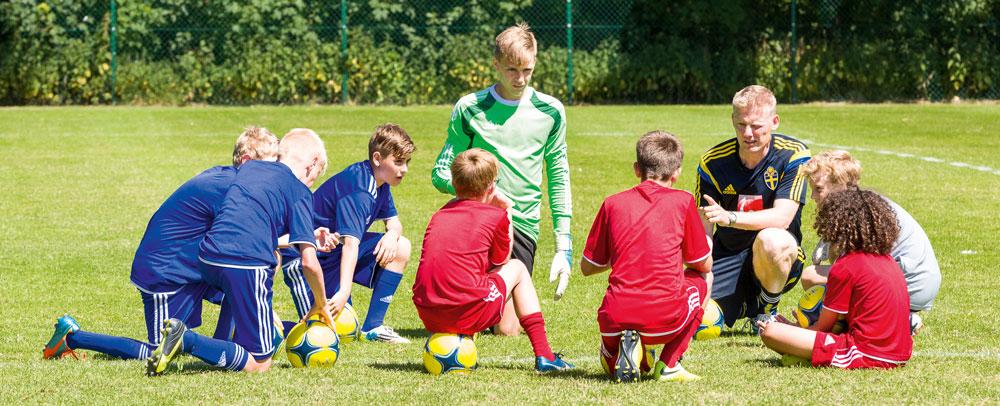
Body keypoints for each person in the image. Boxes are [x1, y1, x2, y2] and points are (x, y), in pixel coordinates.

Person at [43, 127, 279, 361]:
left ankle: (226, 345)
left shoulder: (231, 180)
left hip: (192, 268)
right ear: (247, 161)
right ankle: (72, 337)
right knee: (160, 350)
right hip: (165, 274)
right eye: (271, 165)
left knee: (240, 280)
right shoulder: (229, 187)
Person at [146, 129, 334, 375]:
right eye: (316, 177)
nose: (312, 183)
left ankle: (222, 340)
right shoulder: (299, 192)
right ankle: (185, 339)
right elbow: (309, 262)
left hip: (207, 257)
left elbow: (250, 218)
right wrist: (320, 303)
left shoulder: (249, 169)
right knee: (259, 363)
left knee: (244, 312)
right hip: (246, 264)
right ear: (312, 165)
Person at [431, 23, 573, 336]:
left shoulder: (551, 111)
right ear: (495, 65)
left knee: (506, 330)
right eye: (511, 69)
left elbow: (559, 174)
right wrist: (481, 194)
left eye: (527, 70)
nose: (519, 79)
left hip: (521, 225)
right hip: (473, 224)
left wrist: (564, 244)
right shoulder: (470, 108)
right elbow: (440, 172)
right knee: (466, 323)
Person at [413, 149, 574, 372]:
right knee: (517, 268)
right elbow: (501, 259)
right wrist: (507, 212)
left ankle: (461, 334)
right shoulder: (495, 215)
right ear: (491, 186)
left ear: (454, 182)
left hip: (428, 312)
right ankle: (545, 356)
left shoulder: (439, 214)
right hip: (465, 310)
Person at [581, 131, 712, 383]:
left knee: (620, 362)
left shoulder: (612, 203)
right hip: (665, 319)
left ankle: (621, 351)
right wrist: (705, 242)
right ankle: (669, 364)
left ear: (636, 169)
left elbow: (588, 267)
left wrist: (624, 251)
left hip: (614, 317)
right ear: (676, 172)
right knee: (706, 277)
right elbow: (702, 264)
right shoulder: (684, 201)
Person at [282, 123, 414, 344]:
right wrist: (344, 291)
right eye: (398, 162)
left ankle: (373, 327)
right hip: (307, 258)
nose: (405, 169)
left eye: (407, 162)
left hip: (334, 254)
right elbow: (351, 244)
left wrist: (392, 234)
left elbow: (395, 222)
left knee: (401, 245)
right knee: (321, 332)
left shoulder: (380, 182)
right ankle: (269, 326)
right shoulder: (360, 188)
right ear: (378, 158)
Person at [696, 85, 811, 329]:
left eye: (756, 126)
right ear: (733, 121)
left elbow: (782, 218)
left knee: (772, 239)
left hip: (780, 253)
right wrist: (701, 275)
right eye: (741, 125)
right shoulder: (712, 163)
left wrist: (730, 217)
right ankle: (749, 304)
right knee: (700, 319)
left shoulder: (793, 155)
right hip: (728, 253)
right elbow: (703, 229)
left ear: (775, 122)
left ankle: (767, 310)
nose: (748, 133)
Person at [757, 189, 913, 369]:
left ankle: (804, 355)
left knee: (770, 331)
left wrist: (794, 330)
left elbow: (823, 328)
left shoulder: (845, 266)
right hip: (901, 353)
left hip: (865, 353)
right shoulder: (888, 260)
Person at [800, 150, 941, 334]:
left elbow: (856, 270)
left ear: (840, 184)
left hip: (908, 286)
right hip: (916, 283)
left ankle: (900, 320)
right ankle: (890, 318)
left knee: (812, 277)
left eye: (818, 189)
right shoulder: (863, 203)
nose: (812, 196)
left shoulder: (857, 213)